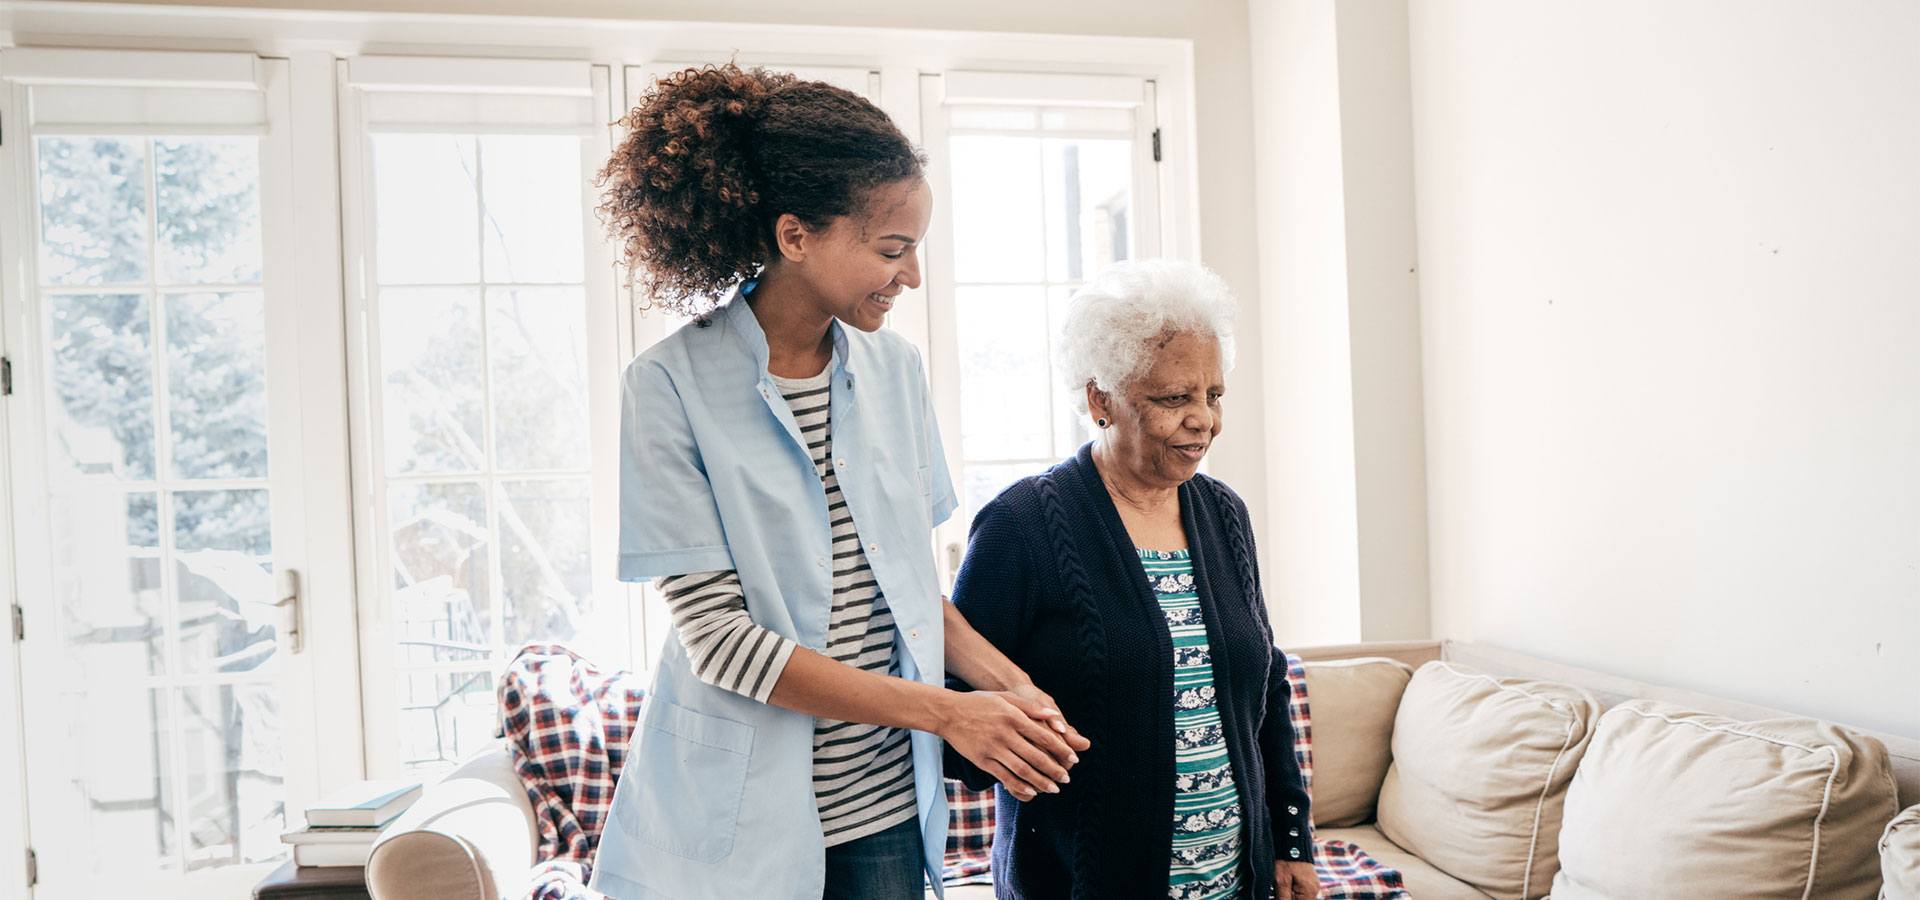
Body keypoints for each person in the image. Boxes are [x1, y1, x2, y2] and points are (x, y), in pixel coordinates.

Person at [589, 64, 1087, 900]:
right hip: (739, 817)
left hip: (883, 808)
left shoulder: (896, 371)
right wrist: (947, 710)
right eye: (891, 251)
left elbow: (907, 592)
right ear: (796, 236)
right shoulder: (668, 386)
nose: (911, 277)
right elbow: (721, 642)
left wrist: (1012, 686)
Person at [944, 259, 1319, 900]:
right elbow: (959, 725)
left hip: (1237, 878)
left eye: (1213, 395)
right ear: (1100, 399)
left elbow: (1265, 684)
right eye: (1174, 398)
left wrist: (1289, 840)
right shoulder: (1021, 524)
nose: (1204, 419)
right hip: (1081, 882)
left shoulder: (1223, 513)